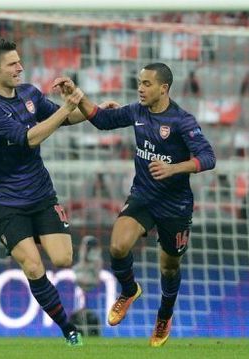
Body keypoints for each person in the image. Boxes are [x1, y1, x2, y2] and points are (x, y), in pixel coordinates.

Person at [55, 63, 216, 347]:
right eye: (139, 83)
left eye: (147, 84)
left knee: (168, 267)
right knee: (117, 246)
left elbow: (208, 158)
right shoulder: (136, 112)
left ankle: (164, 316)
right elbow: (102, 119)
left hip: (175, 205)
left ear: (163, 88)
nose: (140, 88)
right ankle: (129, 291)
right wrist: (77, 96)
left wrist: (174, 168)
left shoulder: (182, 121)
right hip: (143, 196)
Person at [0, 37, 88, 346]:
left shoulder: (30, 94)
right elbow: (29, 139)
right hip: (5, 200)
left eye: (20, 61)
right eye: (12, 64)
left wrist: (87, 106)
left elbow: (67, 119)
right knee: (33, 265)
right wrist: (66, 109)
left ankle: (33, 236)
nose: (20, 67)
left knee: (63, 260)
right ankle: (68, 329)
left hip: (40, 194)